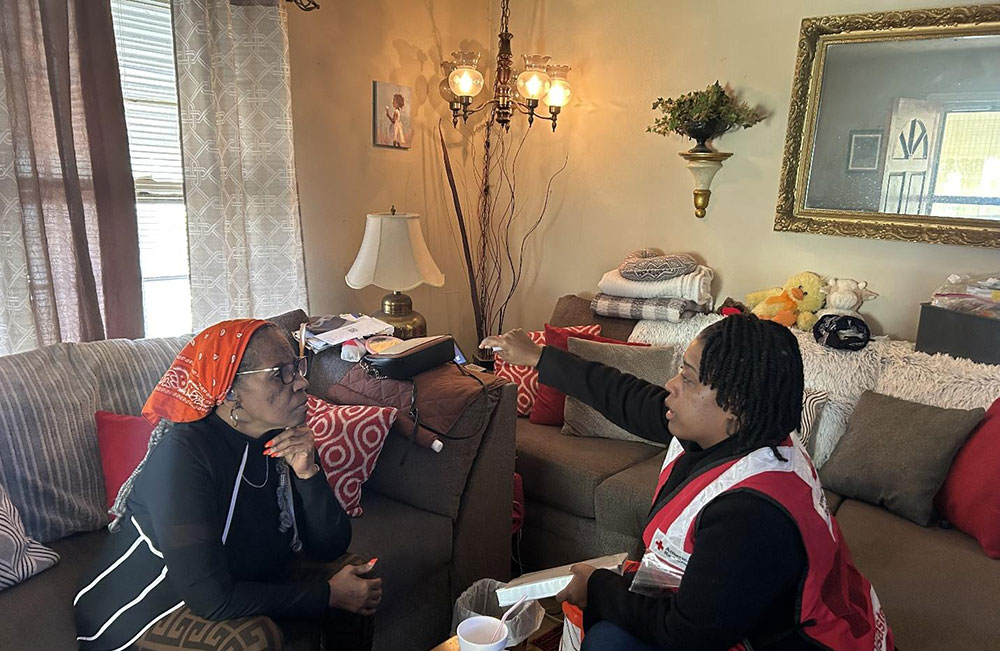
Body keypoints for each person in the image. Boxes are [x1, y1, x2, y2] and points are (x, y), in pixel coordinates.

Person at [482, 314, 893, 651]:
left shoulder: (751, 513)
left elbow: (687, 633)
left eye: (690, 378)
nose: (672, 387)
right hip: (745, 613)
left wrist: (599, 587)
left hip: (803, 642)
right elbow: (622, 394)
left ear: (735, 407)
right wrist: (539, 356)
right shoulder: (733, 431)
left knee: (608, 641)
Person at [75, 319, 382, 651]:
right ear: (231, 391)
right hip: (149, 605)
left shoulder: (282, 435)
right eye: (281, 374)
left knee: (355, 575)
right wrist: (327, 594)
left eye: (297, 367)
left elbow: (330, 546)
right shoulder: (183, 455)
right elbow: (212, 598)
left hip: (240, 574)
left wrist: (308, 474)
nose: (302, 382)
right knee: (251, 640)